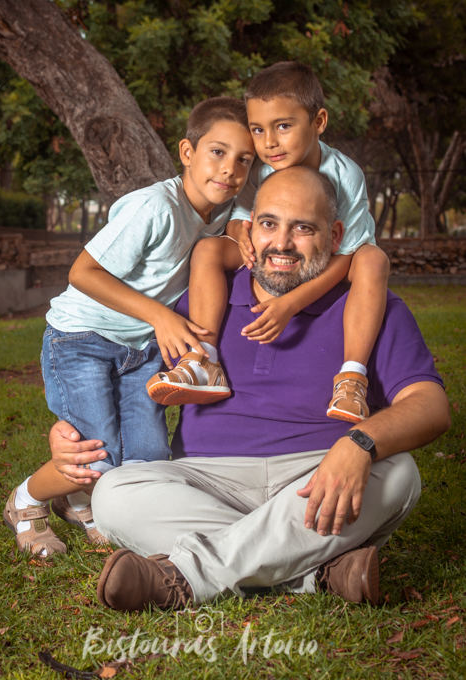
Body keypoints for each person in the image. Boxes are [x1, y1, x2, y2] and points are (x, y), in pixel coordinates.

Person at [50, 166, 449, 609]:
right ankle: (312, 571)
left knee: (398, 474)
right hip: (207, 478)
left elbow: (429, 405)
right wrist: (70, 433)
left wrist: (359, 443)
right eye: (268, 224)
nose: (281, 243)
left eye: (303, 228)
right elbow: (128, 376)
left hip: (316, 478)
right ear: (247, 230)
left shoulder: (370, 304)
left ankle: (185, 577)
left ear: (335, 235)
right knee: (114, 493)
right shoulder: (204, 298)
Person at [2, 97, 255, 557]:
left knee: (149, 462)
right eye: (217, 152)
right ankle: (28, 499)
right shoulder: (152, 207)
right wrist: (161, 315)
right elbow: (82, 273)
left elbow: (242, 221)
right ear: (187, 152)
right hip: (82, 340)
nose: (229, 169)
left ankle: (80, 503)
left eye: (243, 160)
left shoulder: (225, 208)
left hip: (140, 350)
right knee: (99, 455)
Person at [146, 62, 390, 425]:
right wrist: (241, 236)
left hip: (335, 258)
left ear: (319, 122)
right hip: (273, 252)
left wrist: (291, 303)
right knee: (209, 249)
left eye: (283, 126)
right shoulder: (259, 168)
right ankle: (204, 360)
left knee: (374, 260)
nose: (269, 142)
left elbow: (347, 253)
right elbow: (239, 220)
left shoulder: (344, 173)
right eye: (258, 129)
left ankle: (352, 378)